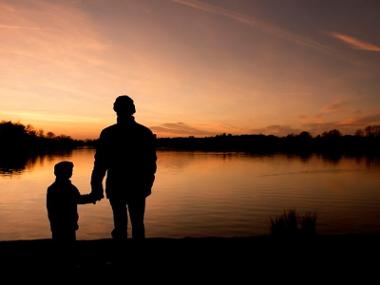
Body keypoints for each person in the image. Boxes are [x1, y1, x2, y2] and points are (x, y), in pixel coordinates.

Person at [91, 95, 157, 240]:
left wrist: (96, 186)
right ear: (133, 109)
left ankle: (121, 256)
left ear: (115, 109)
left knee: (123, 224)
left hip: (123, 184)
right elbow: (151, 163)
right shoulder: (143, 132)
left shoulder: (109, 133)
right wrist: (148, 183)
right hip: (132, 185)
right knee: (136, 224)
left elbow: (100, 164)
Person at [47, 161, 94, 242]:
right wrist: (92, 197)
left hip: (56, 225)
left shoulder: (51, 188)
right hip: (68, 224)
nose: (71, 172)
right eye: (70, 170)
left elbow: (50, 210)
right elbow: (79, 199)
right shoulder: (70, 188)